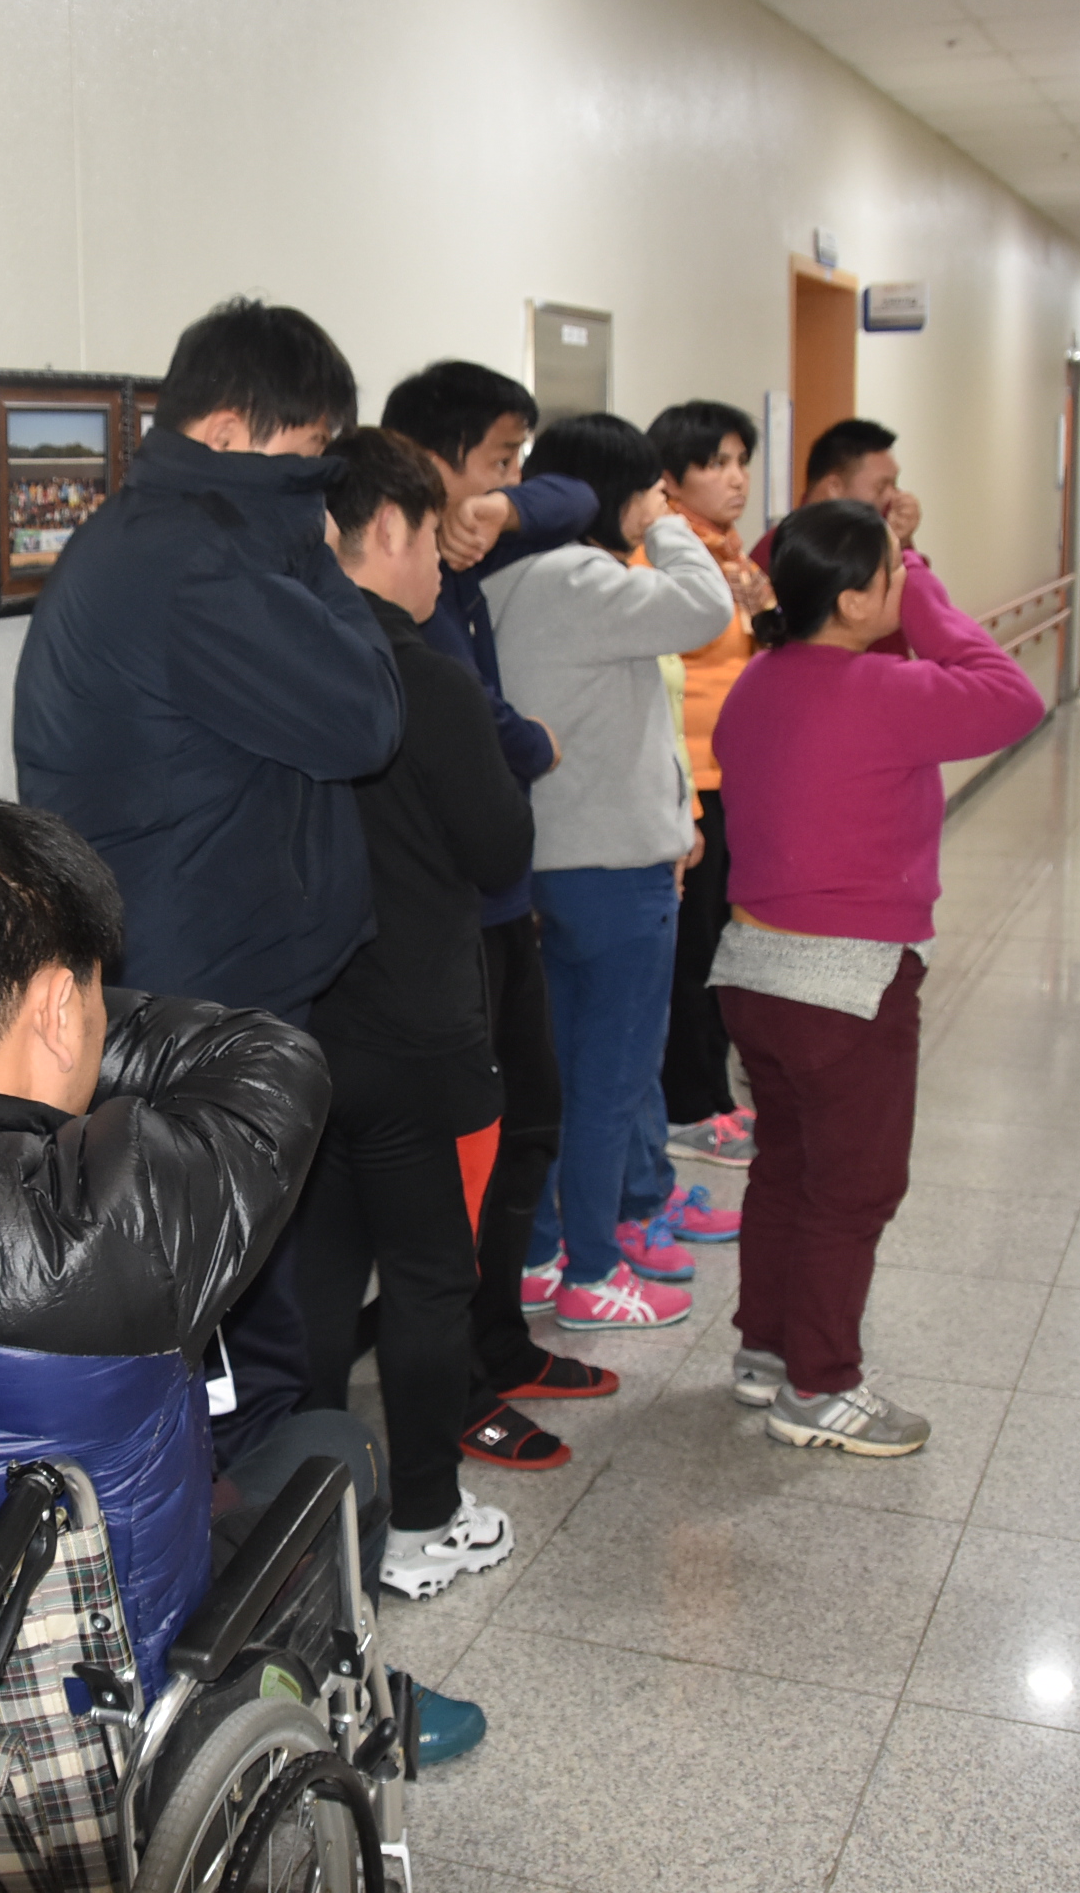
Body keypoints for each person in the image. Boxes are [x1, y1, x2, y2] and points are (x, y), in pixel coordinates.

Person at [0, 796, 488, 1761]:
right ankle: (352, 1719)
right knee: (338, 1445)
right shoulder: (121, 1217)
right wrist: (57, 1016)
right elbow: (272, 1058)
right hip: (126, 1700)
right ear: (58, 1008)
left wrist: (3, 1009)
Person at [13, 298, 399, 1471]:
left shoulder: (186, 538)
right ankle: (252, 1553)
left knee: (256, 1287)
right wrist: (320, 552)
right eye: (308, 456)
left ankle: (277, 1535)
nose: (321, 483)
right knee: (237, 1326)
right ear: (230, 429)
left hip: (207, 974)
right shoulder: (193, 564)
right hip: (197, 1001)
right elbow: (367, 716)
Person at [710, 501, 1045, 1455]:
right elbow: (1013, 697)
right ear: (856, 600)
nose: (906, 580)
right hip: (847, 985)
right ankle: (821, 1387)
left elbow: (791, 557)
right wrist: (923, 590)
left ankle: (766, 1350)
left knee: (786, 1166)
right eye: (893, 572)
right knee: (852, 1189)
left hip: (753, 974)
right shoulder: (884, 692)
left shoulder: (758, 681)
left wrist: (879, 567)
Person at [292, 430, 537, 1578]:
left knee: (314, 1283)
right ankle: (425, 1519)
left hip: (300, 1029)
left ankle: (302, 1524)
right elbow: (499, 848)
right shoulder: (424, 678)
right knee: (432, 1275)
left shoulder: (270, 667)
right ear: (384, 527)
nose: (442, 562)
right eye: (434, 536)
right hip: (421, 1031)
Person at [379, 362, 621, 1471]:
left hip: (504, 907)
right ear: (430, 461)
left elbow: (585, 497)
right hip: (449, 925)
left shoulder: (471, 544)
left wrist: (503, 507)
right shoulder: (395, 585)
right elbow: (470, 728)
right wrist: (527, 741)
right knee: (466, 1169)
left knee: (530, 1127)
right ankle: (463, 1387)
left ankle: (501, 1339)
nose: (514, 479)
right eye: (496, 460)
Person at [482, 413, 734, 1330]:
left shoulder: (499, 579)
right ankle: (593, 1270)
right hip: (616, 874)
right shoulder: (583, 578)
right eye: (651, 488)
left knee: (551, 1077)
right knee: (611, 1082)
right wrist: (666, 524)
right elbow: (707, 607)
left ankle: (542, 1256)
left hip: (540, 869)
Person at [647, 400, 776, 1169]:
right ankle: (689, 1107)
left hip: (735, 782)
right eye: (717, 463)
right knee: (691, 954)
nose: (737, 478)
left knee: (723, 947)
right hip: (690, 786)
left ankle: (717, 1096)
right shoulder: (661, 558)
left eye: (741, 461)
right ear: (671, 479)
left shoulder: (734, 556)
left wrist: (766, 606)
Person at [754, 416, 925, 569]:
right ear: (834, 487)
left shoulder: (880, 536)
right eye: (881, 487)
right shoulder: (783, 548)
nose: (893, 497)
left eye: (894, 485)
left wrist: (900, 544)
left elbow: (918, 591)